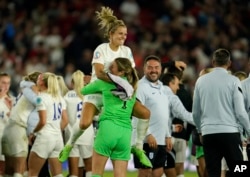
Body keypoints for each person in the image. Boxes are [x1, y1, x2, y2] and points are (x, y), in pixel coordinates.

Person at [59, 6, 151, 167]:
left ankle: (137, 147)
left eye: (125, 34)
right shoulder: (102, 49)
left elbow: (133, 74)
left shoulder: (127, 51)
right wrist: (122, 83)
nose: (124, 37)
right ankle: (69, 144)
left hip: (117, 93)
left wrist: (131, 89)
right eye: (120, 34)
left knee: (144, 113)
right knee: (84, 123)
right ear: (111, 34)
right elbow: (100, 73)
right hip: (98, 90)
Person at [81, 57, 150, 177]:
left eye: (112, 66)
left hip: (108, 128)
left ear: (121, 72)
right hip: (125, 134)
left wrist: (88, 82)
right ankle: (138, 147)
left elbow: (83, 91)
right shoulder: (133, 86)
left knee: (96, 174)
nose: (109, 68)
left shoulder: (104, 83)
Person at [192, 48, 250, 177]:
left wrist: (200, 131)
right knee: (239, 171)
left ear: (213, 62)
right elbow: (240, 112)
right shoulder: (233, 81)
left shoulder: (200, 81)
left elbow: (195, 113)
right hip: (230, 133)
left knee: (213, 173)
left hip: (208, 134)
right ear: (229, 63)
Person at [132, 55, 172, 177]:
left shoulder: (162, 87)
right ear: (144, 69)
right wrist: (148, 134)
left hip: (160, 140)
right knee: (146, 173)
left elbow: (164, 114)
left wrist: (167, 135)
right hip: (145, 141)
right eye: (150, 68)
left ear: (161, 69)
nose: (153, 70)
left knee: (158, 172)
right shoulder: (140, 87)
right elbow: (136, 114)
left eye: (156, 67)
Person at [28, 72, 68, 177]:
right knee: (58, 174)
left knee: (32, 173)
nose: (36, 80)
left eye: (38, 79)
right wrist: (56, 131)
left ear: (42, 82)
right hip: (58, 139)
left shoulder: (40, 98)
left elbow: (42, 121)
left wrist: (33, 133)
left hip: (45, 138)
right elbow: (65, 120)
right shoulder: (59, 98)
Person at [161, 72, 195, 177]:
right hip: (164, 140)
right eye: (176, 84)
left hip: (150, 138)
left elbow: (158, 120)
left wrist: (172, 127)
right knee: (171, 170)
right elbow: (185, 115)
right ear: (170, 84)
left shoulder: (154, 93)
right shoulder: (172, 97)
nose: (178, 88)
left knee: (156, 170)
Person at [64, 70, 94, 177]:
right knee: (89, 169)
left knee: (74, 172)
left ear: (72, 82)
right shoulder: (90, 94)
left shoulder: (67, 96)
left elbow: (63, 117)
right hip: (87, 134)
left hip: (72, 135)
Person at [0, 73, 12, 177]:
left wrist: (12, 111)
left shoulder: (12, 101)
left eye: (8, 83)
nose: (6, 86)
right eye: (3, 83)